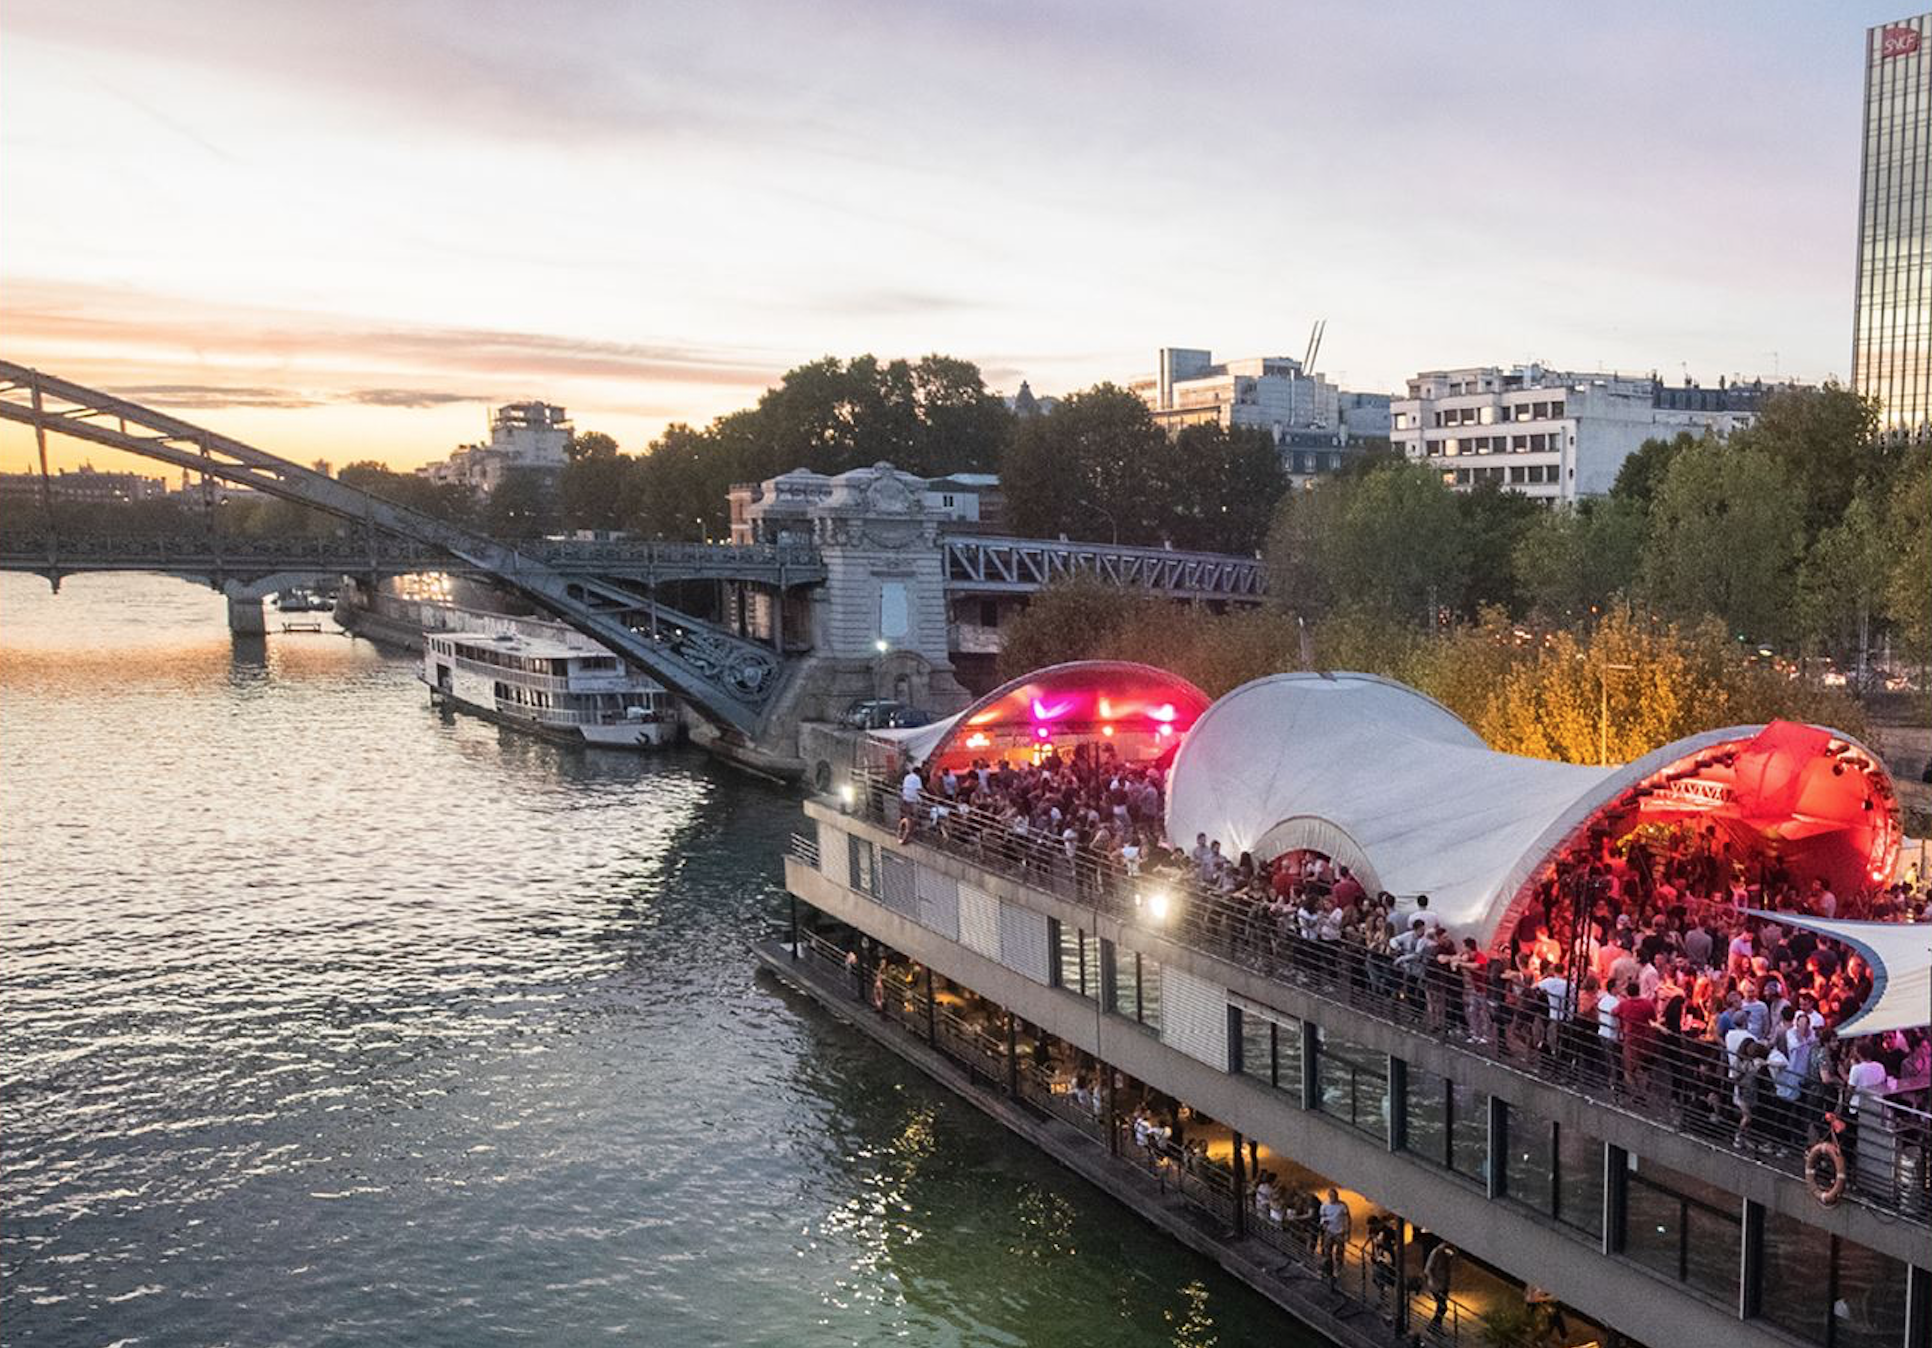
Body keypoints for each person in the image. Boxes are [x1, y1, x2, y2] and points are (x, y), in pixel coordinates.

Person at [1317, 1188, 1351, 1289]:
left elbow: (1347, 1218)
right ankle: (1328, 1269)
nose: (1333, 1198)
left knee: (1339, 1252)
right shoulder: (1325, 1206)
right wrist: (1323, 1225)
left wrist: (1348, 1232)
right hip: (1329, 1232)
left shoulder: (1342, 1206)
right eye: (1331, 1196)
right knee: (1327, 1251)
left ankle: (1338, 1269)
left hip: (1339, 1232)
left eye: (1335, 1196)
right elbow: (1322, 1218)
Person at [1423, 1241, 1456, 1331]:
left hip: (1443, 1284)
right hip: (1437, 1285)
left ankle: (1436, 1326)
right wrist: (1433, 1282)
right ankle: (1433, 1326)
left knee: (1441, 1307)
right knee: (1442, 1307)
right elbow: (1428, 1269)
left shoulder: (1445, 1252)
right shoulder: (1437, 1252)